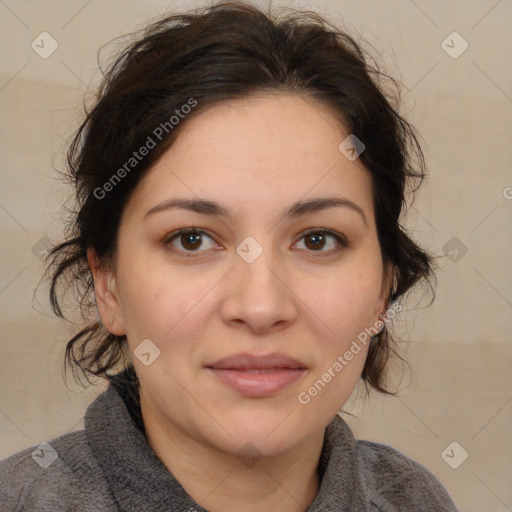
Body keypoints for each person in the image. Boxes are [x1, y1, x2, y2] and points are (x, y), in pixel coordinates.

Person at [0, 1, 459, 510]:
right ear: (107, 284)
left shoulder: (416, 499)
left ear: (383, 288)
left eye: (317, 239)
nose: (261, 307)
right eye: (192, 239)